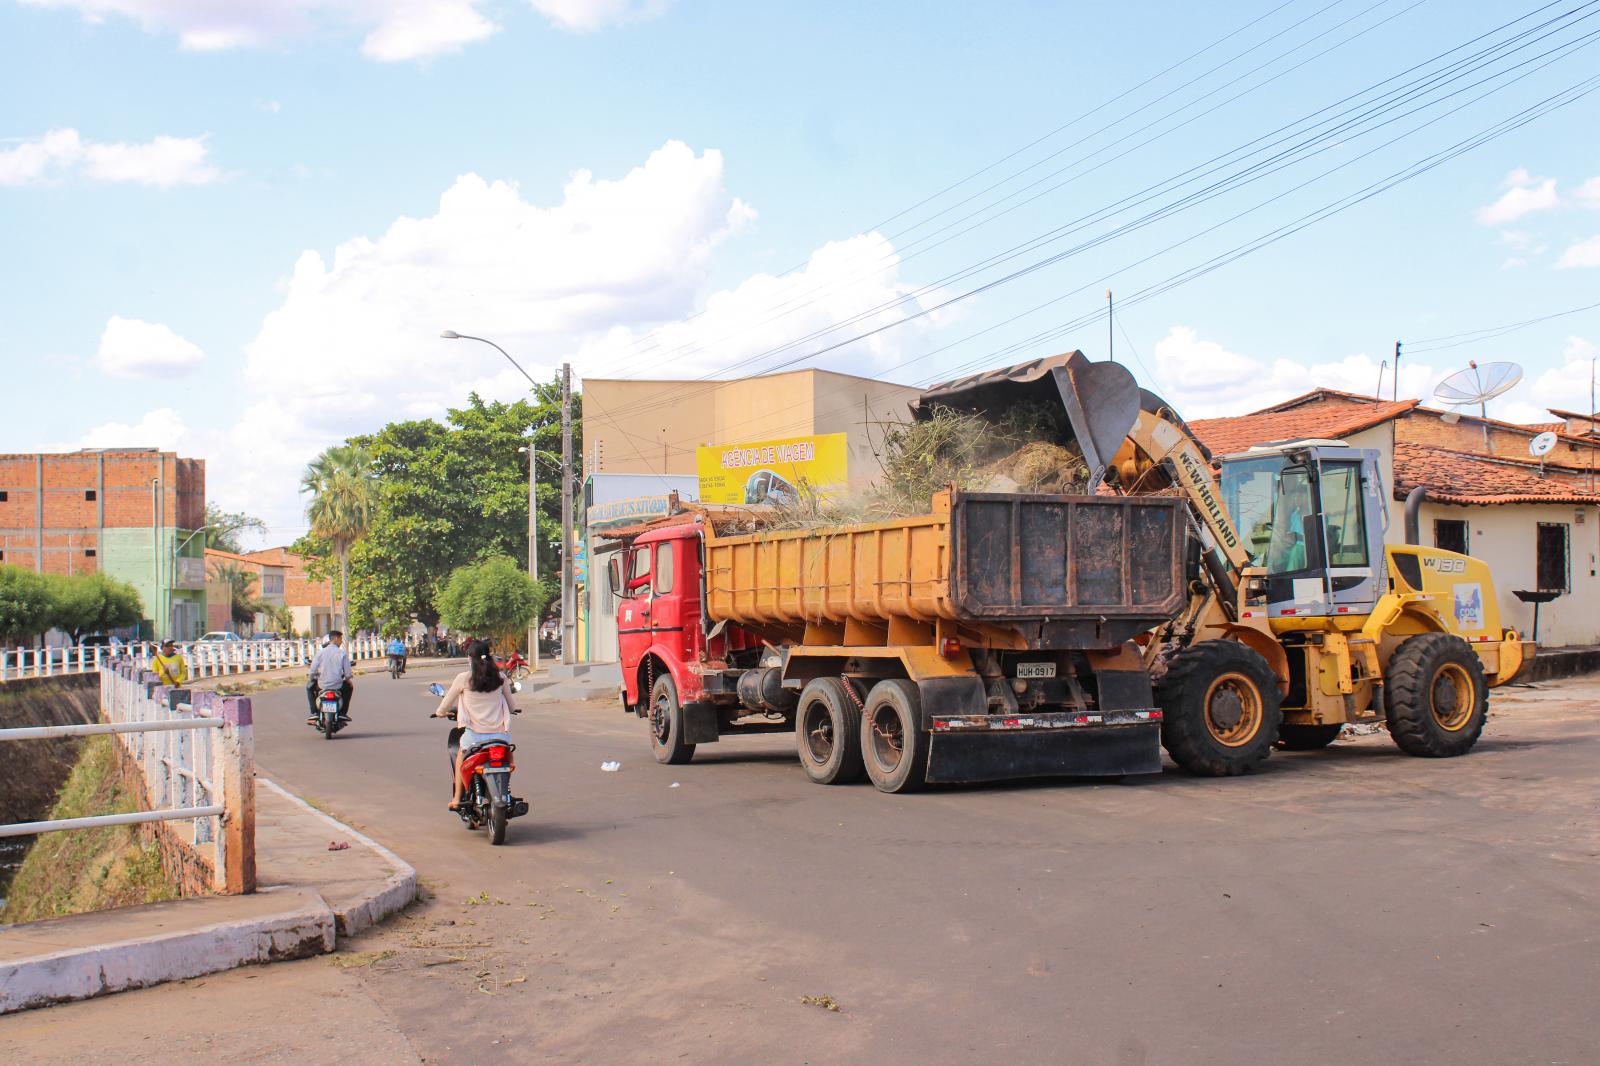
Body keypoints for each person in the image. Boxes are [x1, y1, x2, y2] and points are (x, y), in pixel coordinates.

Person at [431, 639, 515, 811]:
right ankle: (505, 793)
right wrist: (514, 710)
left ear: (470, 658)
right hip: (500, 736)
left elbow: (445, 704)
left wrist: (440, 713)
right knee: (508, 760)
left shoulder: (463, 678)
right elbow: (512, 706)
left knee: (461, 756)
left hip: (474, 737)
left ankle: (456, 798)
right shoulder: (501, 677)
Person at [306, 629, 354, 724]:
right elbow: (348, 673)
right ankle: (343, 713)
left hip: (322, 685)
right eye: (340, 639)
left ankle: (314, 713)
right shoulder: (342, 653)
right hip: (337, 685)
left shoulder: (320, 653)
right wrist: (348, 680)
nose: (341, 641)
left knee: (309, 688)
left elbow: (312, 671)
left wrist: (312, 678)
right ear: (335, 639)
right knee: (349, 687)